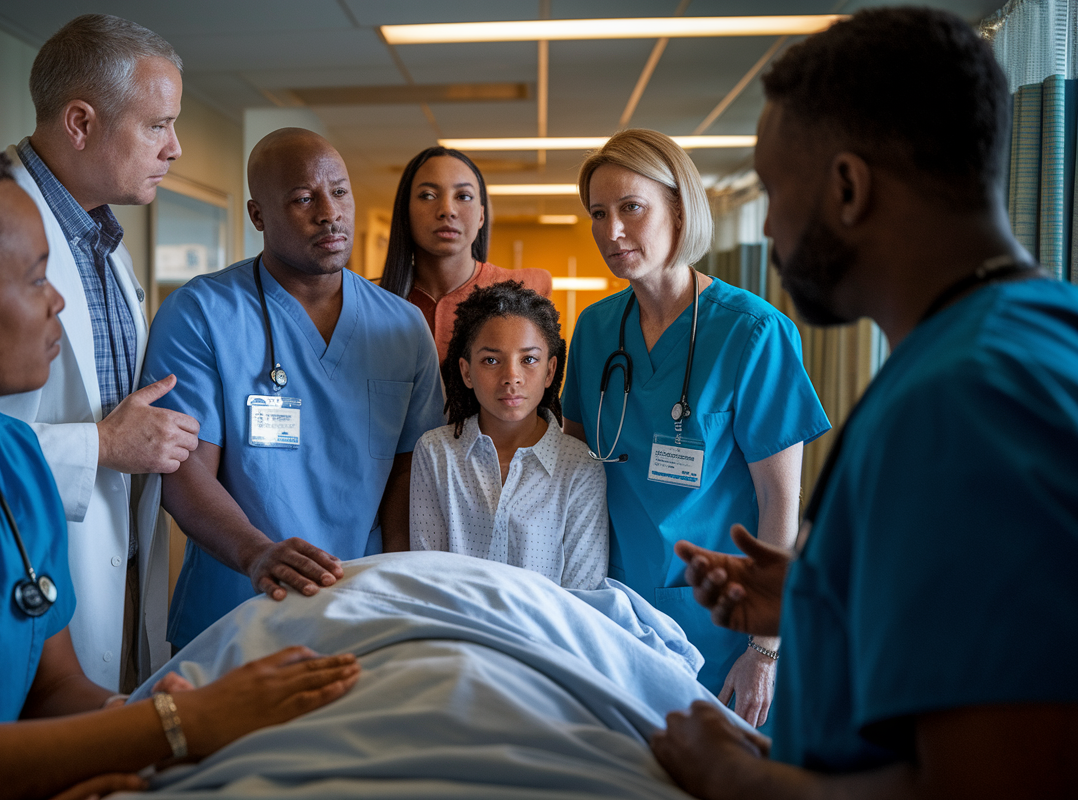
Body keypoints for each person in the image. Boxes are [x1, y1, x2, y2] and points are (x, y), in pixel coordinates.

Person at [0, 129, 360, 800]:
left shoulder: (7, 459)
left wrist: (138, 724)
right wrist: (174, 725)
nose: (58, 300)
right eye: (37, 278)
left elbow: (54, 686)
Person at [649, 9, 1078, 799]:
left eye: (776, 191)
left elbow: (999, 784)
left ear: (848, 187)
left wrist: (731, 776)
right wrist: (831, 598)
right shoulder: (1035, 331)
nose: (769, 225)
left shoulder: (968, 399)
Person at [560, 128, 830, 726]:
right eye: (598, 214)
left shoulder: (753, 332)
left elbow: (780, 500)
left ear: (679, 208)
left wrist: (766, 645)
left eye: (631, 207)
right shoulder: (595, 330)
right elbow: (572, 473)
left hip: (725, 627)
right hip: (614, 614)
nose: (612, 232)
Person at [144, 127, 446, 651]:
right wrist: (257, 554)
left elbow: (409, 471)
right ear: (258, 216)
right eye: (303, 198)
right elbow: (184, 471)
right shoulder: (202, 315)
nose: (329, 212)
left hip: (361, 608)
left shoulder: (401, 327)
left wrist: (394, 583)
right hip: (236, 611)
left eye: (340, 191)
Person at [0, 14, 201, 692]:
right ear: (80, 123)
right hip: (11, 568)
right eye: (157, 125)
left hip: (118, 566)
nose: (175, 149)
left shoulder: (105, 245)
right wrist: (103, 448)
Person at [410, 281, 608, 590]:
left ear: (550, 371)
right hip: (454, 634)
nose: (511, 377)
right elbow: (427, 581)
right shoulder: (436, 452)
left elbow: (582, 596)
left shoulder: (580, 467)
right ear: (466, 372)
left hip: (546, 636)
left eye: (529, 359)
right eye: (491, 360)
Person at [380, 146, 553, 364]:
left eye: (463, 196)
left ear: (481, 215)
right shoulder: (368, 302)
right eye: (428, 195)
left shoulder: (527, 289)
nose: (447, 210)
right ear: (405, 212)